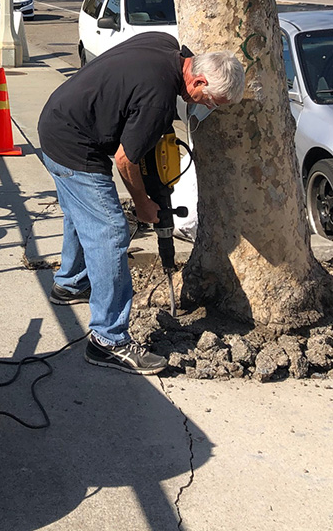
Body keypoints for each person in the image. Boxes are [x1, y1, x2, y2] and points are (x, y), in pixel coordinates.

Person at [37, 32, 245, 376]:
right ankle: (108, 340)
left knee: (83, 212)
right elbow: (124, 160)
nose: (206, 107)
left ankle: (70, 282)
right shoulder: (159, 100)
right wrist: (143, 202)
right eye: (209, 100)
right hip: (72, 142)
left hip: (60, 118)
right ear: (198, 78)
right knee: (110, 230)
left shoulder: (165, 44)